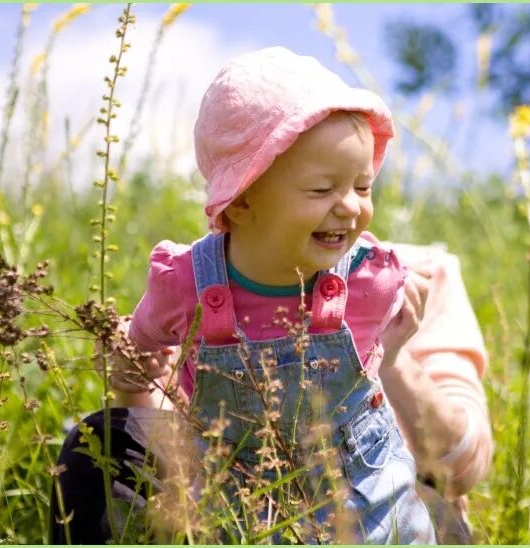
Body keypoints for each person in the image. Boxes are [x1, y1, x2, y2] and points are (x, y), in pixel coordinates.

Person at [50, 47, 492, 544]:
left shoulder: (396, 278)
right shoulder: (195, 283)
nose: (350, 208)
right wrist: (132, 379)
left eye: (364, 187)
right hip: (231, 489)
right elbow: (161, 393)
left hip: (362, 497)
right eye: (322, 189)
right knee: (96, 440)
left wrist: (392, 358)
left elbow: (464, 466)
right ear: (240, 202)